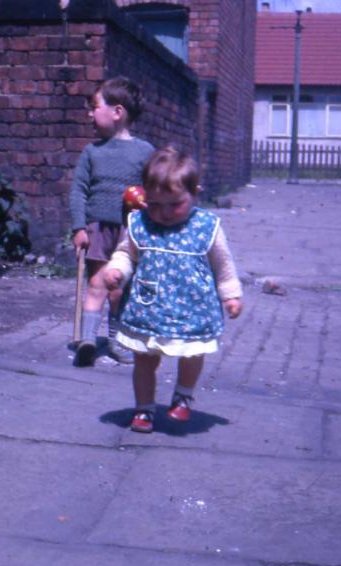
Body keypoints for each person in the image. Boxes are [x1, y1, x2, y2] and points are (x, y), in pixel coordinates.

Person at [103, 146, 243, 433]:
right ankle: (144, 409)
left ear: (195, 193)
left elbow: (223, 265)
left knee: (191, 353)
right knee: (143, 359)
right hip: (148, 307)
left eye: (174, 204)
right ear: (145, 196)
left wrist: (230, 295)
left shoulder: (207, 227)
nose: (164, 213)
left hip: (192, 309)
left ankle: (183, 395)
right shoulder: (140, 224)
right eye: (155, 204)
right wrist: (117, 270)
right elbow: (127, 253)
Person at [70, 77, 155, 366]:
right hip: (97, 229)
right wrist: (79, 227)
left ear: (117, 112)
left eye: (95, 107)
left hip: (129, 233)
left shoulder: (144, 151)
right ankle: (88, 340)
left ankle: (118, 341)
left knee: (119, 289)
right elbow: (78, 191)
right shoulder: (91, 152)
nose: (90, 114)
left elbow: (155, 185)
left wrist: (151, 201)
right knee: (96, 284)